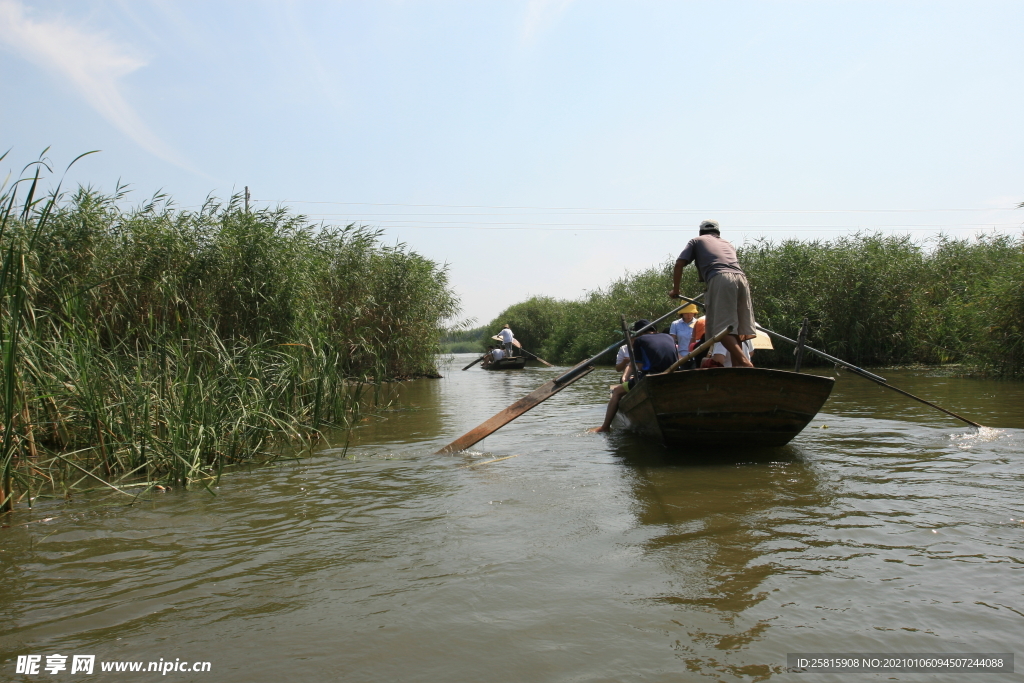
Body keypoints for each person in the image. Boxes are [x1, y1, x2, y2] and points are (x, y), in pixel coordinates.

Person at [668, 220, 755, 368]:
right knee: (735, 328)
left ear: (701, 232)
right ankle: (738, 368)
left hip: (720, 278)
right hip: (741, 279)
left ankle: (744, 363)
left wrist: (676, 290)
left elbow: (679, 264)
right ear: (718, 233)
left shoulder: (697, 241)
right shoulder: (727, 244)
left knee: (720, 328)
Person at [591, 319, 677, 433]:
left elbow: (640, 366)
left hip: (652, 377)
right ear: (654, 330)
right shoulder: (669, 337)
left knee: (616, 391)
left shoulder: (640, 340)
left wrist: (632, 377)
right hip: (673, 375)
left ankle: (605, 427)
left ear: (638, 333)